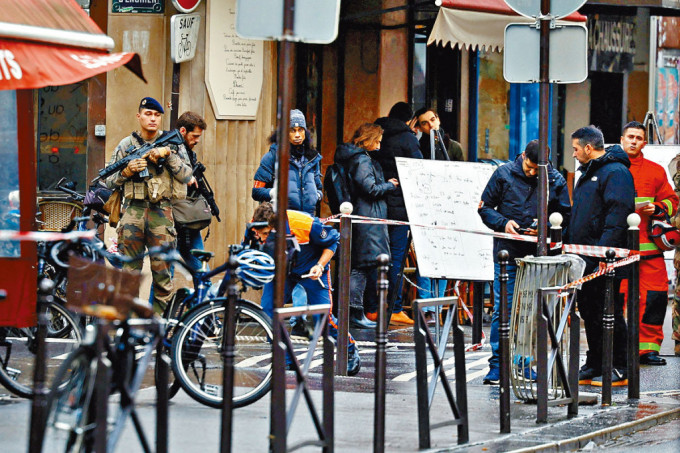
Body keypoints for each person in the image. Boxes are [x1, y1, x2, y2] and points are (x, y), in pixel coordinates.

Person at [478, 139, 571, 385]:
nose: (531, 173)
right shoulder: (504, 173)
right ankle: (498, 365)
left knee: (532, 312)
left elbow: (565, 216)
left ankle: (524, 363)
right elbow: (485, 208)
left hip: (539, 255)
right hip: (507, 252)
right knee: (503, 310)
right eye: (528, 168)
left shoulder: (555, 179)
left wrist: (546, 228)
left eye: (535, 170)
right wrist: (504, 223)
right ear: (522, 156)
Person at [249, 202, 361, 376]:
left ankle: (349, 349)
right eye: (259, 234)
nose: (262, 239)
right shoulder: (254, 228)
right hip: (282, 270)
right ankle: (286, 360)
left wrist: (320, 265)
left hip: (311, 267)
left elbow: (333, 242)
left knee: (322, 318)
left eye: (265, 234)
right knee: (268, 312)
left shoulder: (304, 224)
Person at [105, 97, 193, 311]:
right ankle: (130, 328)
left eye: (157, 115)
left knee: (163, 275)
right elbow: (108, 180)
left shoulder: (173, 143)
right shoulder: (126, 145)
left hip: (162, 213)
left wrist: (168, 155)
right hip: (133, 211)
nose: (152, 119)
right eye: (148, 114)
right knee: (129, 274)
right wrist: (127, 171)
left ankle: (158, 328)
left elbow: (187, 175)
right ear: (139, 116)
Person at [570, 126, 635, 387]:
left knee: (609, 311)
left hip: (603, 257)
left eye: (575, 149)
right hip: (585, 256)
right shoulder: (589, 172)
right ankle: (596, 361)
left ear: (588, 148)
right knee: (589, 310)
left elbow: (617, 215)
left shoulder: (616, 172)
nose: (573, 154)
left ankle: (620, 365)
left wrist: (604, 254)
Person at [619, 121, 678, 366]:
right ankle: (619, 350)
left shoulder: (655, 170)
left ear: (644, 142)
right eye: (630, 136)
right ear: (622, 139)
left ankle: (648, 349)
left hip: (651, 252)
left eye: (638, 138)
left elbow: (672, 200)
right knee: (616, 301)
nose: (634, 141)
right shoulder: (610, 169)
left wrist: (659, 209)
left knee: (653, 301)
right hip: (619, 251)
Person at [333, 123, 401, 326]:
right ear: (368, 140)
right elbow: (369, 188)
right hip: (367, 218)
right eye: (377, 141)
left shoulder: (353, 158)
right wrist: (389, 185)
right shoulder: (362, 159)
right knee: (361, 266)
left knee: (358, 264)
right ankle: (354, 313)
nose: (379, 146)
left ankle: (352, 312)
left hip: (362, 216)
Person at [368, 102, 423, 327]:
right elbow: (418, 170)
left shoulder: (377, 132)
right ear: (410, 120)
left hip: (376, 205)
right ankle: (394, 308)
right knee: (396, 259)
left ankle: (372, 307)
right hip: (400, 206)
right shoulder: (408, 138)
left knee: (374, 257)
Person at [174, 111, 208, 272]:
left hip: (187, 218)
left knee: (202, 271)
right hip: (171, 219)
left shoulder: (189, 152)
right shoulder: (171, 150)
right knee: (165, 277)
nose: (197, 140)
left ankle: (205, 297)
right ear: (182, 131)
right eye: (194, 136)